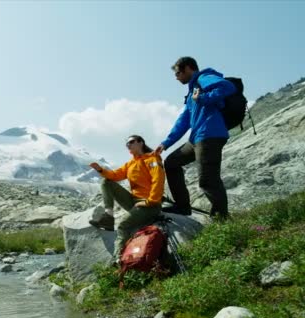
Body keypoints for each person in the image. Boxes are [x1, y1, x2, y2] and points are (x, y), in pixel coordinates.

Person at [155, 57, 236, 219]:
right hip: (196, 138)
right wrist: (166, 143)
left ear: (189, 69)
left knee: (208, 180)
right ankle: (183, 207)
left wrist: (203, 98)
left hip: (210, 135)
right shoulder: (192, 91)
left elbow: (228, 87)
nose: (176, 77)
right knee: (171, 163)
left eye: (178, 72)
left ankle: (222, 220)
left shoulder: (203, 78)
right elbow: (184, 121)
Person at [89, 135, 165, 264]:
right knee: (107, 182)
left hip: (150, 205)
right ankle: (108, 217)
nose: (128, 145)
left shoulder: (152, 159)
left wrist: (150, 201)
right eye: (127, 144)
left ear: (141, 143)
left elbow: (158, 180)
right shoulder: (131, 163)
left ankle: (117, 258)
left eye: (131, 142)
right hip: (135, 202)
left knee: (123, 226)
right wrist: (100, 169)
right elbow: (115, 175)